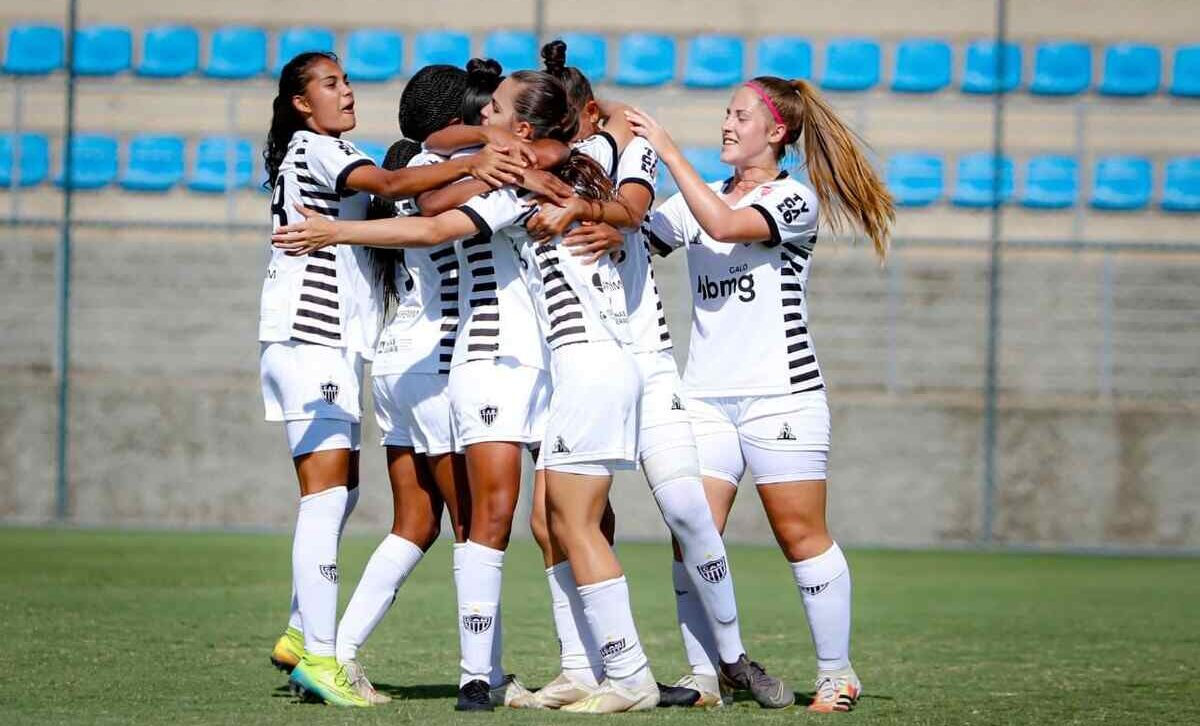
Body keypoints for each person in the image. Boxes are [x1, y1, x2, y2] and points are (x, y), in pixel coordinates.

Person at [270, 70, 597, 713]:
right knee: (477, 523)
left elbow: (435, 182)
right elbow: (431, 213)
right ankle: (483, 673)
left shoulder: (420, 163)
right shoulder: (455, 172)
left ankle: (326, 646)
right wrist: (508, 157)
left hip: (400, 355)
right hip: (449, 356)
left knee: (416, 523)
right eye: (484, 112)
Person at [527, 40, 790, 710]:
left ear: (587, 113)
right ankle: (582, 666)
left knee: (685, 513)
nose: (568, 137)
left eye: (574, 121)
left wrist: (603, 206)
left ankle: (730, 661)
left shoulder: (624, 150)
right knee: (553, 520)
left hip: (643, 362)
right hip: (579, 363)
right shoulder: (556, 164)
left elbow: (636, 206)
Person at [627, 76, 895, 714]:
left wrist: (666, 150)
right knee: (692, 533)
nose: (726, 123)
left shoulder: (791, 199)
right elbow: (634, 238)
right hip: (705, 397)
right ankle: (705, 675)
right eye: (725, 112)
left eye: (740, 115)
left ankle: (837, 672)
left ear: (775, 133)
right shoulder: (701, 195)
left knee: (799, 533)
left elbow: (721, 222)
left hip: (782, 394)